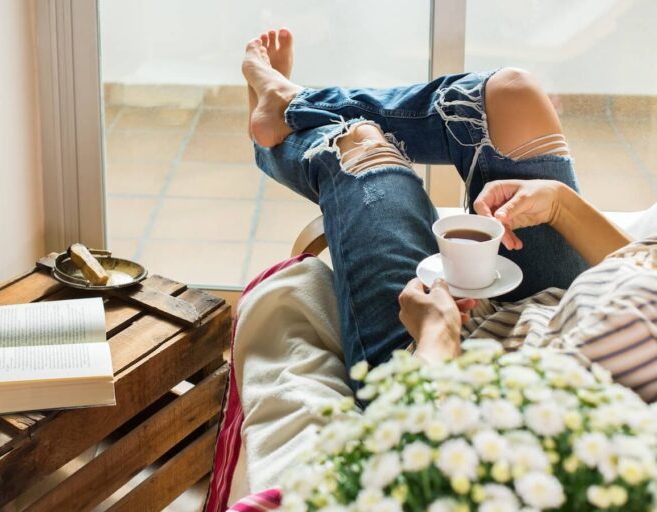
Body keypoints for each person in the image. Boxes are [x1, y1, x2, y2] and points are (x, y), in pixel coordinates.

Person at [242, 29, 657, 400]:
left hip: (454, 379)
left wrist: (435, 336)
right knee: (513, 95)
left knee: (364, 148)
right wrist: (558, 202)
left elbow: (449, 440)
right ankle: (295, 104)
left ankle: (281, 123)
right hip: (576, 301)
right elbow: (643, 266)